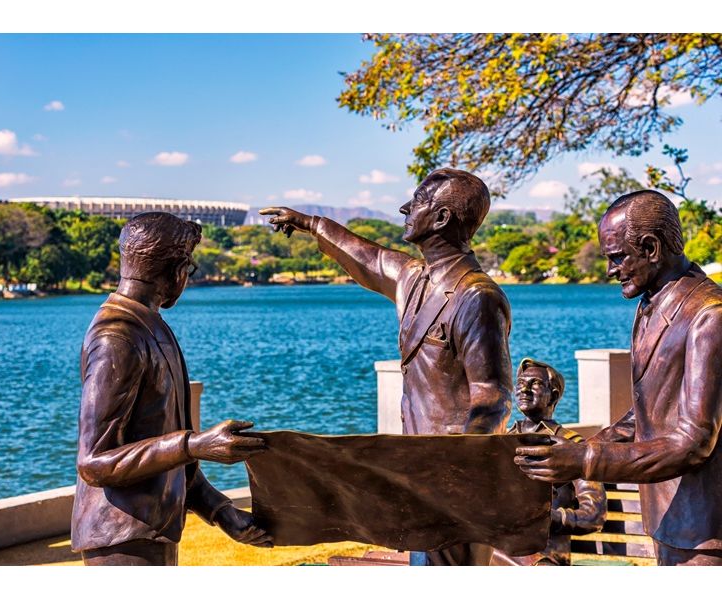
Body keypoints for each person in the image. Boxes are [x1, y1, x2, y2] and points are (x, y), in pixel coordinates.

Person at [261, 168, 513, 565]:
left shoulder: (476, 297)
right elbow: (371, 258)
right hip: (419, 471)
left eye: (416, 203)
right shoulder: (415, 279)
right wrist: (312, 225)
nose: (404, 209)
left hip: (454, 478)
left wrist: (459, 466)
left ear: (442, 218)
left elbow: (492, 397)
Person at [516, 190, 722, 566]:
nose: (610, 270)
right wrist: (581, 448)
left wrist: (587, 459)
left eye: (617, 258)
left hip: (705, 529)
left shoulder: (709, 316)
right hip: (668, 520)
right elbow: (650, 408)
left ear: (651, 248)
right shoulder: (651, 302)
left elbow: (694, 442)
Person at [71, 212, 272, 566]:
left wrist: (221, 512)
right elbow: (94, 462)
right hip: (120, 538)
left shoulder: (153, 328)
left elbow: (169, 447)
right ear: (175, 269)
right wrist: (195, 444)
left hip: (153, 529)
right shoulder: (116, 337)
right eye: (189, 267)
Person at [490, 358, 606, 566]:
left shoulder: (572, 446)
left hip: (544, 557)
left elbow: (594, 514)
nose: (524, 390)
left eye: (535, 384)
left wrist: (546, 519)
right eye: (520, 384)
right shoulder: (502, 441)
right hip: (497, 553)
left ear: (553, 395)